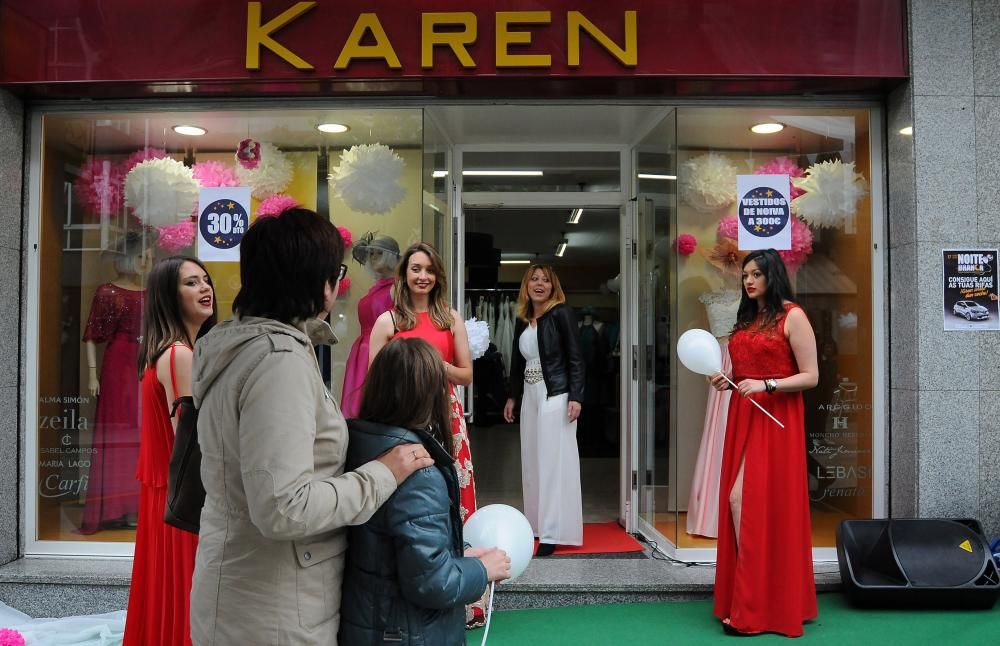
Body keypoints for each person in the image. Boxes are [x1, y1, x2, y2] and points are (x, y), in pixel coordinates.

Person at [189, 209, 433, 645]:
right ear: (314, 283)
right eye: (336, 273)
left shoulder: (243, 347)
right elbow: (284, 506)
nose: (338, 285)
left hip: (247, 585)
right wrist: (383, 473)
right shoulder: (276, 363)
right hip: (274, 606)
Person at [340, 337, 511, 645]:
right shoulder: (418, 471)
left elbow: (402, 552)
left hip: (366, 620)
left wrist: (457, 554)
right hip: (406, 631)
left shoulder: (356, 445)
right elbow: (432, 582)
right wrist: (481, 570)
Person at [368, 241, 486, 629]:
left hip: (444, 417)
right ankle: (409, 594)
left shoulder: (448, 319)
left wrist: (433, 364)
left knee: (453, 502)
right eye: (415, 269)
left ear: (438, 276)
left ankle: (464, 600)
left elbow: (467, 375)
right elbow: (375, 380)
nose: (422, 276)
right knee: (408, 504)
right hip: (401, 419)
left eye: (429, 270)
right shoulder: (388, 321)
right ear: (403, 275)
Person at [708, 248, 819, 637]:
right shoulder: (747, 318)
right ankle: (750, 596)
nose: (749, 281)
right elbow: (745, 373)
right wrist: (729, 381)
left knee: (747, 502)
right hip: (744, 416)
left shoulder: (794, 316)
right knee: (741, 503)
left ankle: (757, 605)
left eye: (756, 274)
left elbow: (811, 376)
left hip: (777, 419)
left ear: (773, 276)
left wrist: (768, 384)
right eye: (745, 275)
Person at [123, 255, 216, 646]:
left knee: (172, 591)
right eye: (191, 283)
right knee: (187, 591)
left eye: (205, 279)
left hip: (168, 493)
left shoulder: (171, 350)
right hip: (185, 496)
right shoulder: (180, 354)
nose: (205, 288)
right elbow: (191, 439)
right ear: (168, 296)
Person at [503, 264, 585, 556]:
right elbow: (516, 361)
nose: (539, 284)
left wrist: (576, 395)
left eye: (545, 280)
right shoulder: (523, 319)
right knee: (532, 460)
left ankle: (553, 532)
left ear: (553, 286)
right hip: (530, 394)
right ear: (526, 285)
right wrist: (512, 396)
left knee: (553, 463)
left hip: (557, 394)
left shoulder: (561, 313)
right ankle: (535, 526)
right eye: (534, 279)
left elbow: (576, 357)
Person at [79, 231, 154, 534]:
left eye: (149, 256)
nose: (147, 261)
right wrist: (92, 373)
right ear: (126, 260)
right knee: (117, 435)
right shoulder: (106, 293)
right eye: (141, 256)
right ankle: (114, 508)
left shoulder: (152, 294)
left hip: (146, 363)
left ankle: (137, 506)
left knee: (142, 434)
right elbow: (91, 335)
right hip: (118, 365)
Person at [340, 233, 400, 417]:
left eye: (378, 253)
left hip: (382, 350)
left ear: (390, 257)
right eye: (371, 253)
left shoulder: (397, 289)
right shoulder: (376, 289)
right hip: (362, 351)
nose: (372, 258)